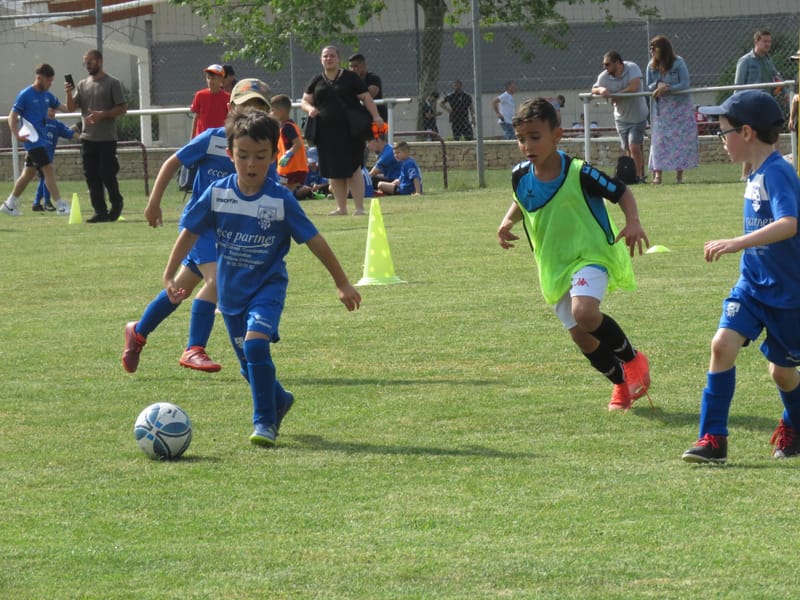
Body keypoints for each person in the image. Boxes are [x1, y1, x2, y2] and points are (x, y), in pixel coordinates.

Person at [162, 108, 362, 446]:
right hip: (230, 294)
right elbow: (189, 232)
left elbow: (315, 240)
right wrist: (169, 274)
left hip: (267, 288)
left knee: (255, 345)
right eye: (243, 156)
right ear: (230, 155)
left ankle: (264, 422)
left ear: (273, 157)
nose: (251, 164)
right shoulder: (217, 194)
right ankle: (279, 399)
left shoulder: (280, 200)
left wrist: (341, 282)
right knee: (248, 365)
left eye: (260, 156)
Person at [496, 97, 651, 411]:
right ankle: (621, 383)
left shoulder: (580, 172)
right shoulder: (520, 175)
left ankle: (633, 360)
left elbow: (620, 191)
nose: (527, 145)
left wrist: (633, 221)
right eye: (521, 139)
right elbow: (522, 198)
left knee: (585, 313)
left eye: (535, 137)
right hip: (554, 265)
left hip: (591, 255)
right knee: (581, 335)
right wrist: (507, 221)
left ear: (557, 135)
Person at [122, 78, 273, 375]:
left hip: (229, 232)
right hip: (201, 226)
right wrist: (154, 203)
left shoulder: (264, 149)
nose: (252, 114)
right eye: (246, 107)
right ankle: (194, 348)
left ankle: (138, 332)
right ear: (230, 108)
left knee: (180, 289)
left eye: (259, 109)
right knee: (217, 281)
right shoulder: (212, 139)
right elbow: (171, 163)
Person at [682, 90, 800, 464]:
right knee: (722, 344)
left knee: (782, 373)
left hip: (789, 293)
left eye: (723, 132)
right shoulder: (756, 170)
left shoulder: (777, 172)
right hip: (752, 286)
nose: (720, 139)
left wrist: (737, 242)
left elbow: (789, 223)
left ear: (746, 133)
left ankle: (795, 424)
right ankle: (713, 439)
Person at [300, 45, 384, 216]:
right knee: (334, 171)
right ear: (321, 59)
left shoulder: (351, 78)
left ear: (338, 59)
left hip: (350, 132)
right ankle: (342, 208)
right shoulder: (316, 80)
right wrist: (310, 109)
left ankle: (359, 208)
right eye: (325, 56)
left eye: (332, 56)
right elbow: (305, 101)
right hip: (326, 133)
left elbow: (366, 98)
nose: (328, 59)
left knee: (353, 168)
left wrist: (376, 116)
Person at [65, 49, 128, 223]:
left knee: (107, 174)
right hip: (88, 138)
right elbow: (71, 108)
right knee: (91, 176)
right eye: (85, 62)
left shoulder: (112, 83)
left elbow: (122, 108)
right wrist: (69, 92)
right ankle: (100, 211)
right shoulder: (82, 84)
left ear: (99, 61)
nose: (87, 65)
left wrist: (103, 114)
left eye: (90, 62)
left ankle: (116, 203)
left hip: (107, 138)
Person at [3, 64, 71, 217]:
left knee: (29, 173)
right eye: (48, 80)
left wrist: (69, 93)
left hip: (41, 141)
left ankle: (9, 204)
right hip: (32, 140)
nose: (50, 83)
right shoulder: (25, 94)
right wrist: (16, 134)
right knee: (48, 169)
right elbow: (12, 117)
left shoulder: (48, 96)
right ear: (39, 78)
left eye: (52, 80)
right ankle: (60, 206)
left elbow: (67, 108)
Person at [645, 35, 698, 184]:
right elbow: (649, 85)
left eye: (654, 48)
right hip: (662, 109)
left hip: (680, 108)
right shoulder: (651, 66)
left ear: (663, 49)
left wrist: (667, 88)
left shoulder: (678, 63)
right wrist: (657, 85)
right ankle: (657, 175)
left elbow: (685, 83)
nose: (651, 51)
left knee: (680, 140)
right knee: (659, 140)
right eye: (650, 48)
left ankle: (679, 176)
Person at [592, 51, 649, 183]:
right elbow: (594, 89)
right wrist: (601, 90)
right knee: (627, 148)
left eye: (607, 64)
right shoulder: (604, 76)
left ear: (617, 63)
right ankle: (631, 176)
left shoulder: (632, 68)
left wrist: (617, 95)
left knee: (634, 146)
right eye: (604, 64)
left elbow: (634, 86)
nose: (605, 67)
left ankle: (638, 177)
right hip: (621, 118)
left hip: (638, 116)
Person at [735, 30, 784, 181]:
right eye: (764, 41)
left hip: (766, 104)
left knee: (773, 135)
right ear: (756, 42)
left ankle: (777, 170)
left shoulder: (768, 60)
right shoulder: (745, 61)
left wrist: (780, 86)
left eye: (769, 41)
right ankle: (745, 175)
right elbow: (738, 86)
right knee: (751, 139)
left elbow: (776, 79)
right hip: (750, 105)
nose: (768, 44)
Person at [33, 114, 78, 212]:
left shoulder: (57, 124)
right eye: (49, 108)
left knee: (44, 178)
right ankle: (46, 202)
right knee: (46, 176)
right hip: (38, 153)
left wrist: (78, 129)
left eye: (53, 108)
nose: (51, 110)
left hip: (47, 156)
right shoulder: (39, 120)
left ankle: (36, 203)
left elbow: (68, 133)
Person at [271, 93, 308, 198]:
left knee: (284, 191)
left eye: (273, 110)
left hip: (292, 168)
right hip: (287, 168)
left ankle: (286, 205)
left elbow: (298, 143)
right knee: (283, 190)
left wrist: (288, 155)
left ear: (281, 111)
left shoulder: (288, 127)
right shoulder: (283, 126)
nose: (271, 113)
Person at [190, 64, 230, 137]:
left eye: (213, 78)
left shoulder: (227, 97)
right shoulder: (200, 95)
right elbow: (196, 117)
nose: (210, 81)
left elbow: (230, 119)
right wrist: (192, 138)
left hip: (219, 138)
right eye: (208, 78)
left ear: (221, 79)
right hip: (202, 136)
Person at [348, 53, 387, 121]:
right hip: (360, 117)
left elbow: (369, 95)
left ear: (364, 66)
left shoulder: (373, 78)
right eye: (351, 66)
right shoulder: (349, 80)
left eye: (356, 66)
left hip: (378, 117)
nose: (353, 69)